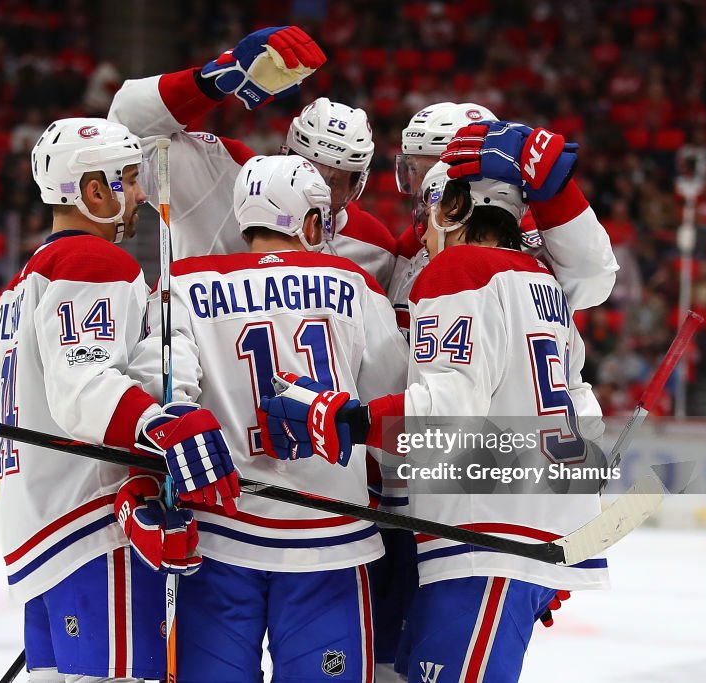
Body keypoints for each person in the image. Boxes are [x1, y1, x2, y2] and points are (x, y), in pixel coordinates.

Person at [261, 140, 610, 682]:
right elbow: (583, 415)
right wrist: (558, 532)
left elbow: (445, 416)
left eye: (428, 211)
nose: (421, 233)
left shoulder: (459, 269)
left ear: (455, 206)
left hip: (484, 538)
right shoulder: (547, 286)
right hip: (516, 535)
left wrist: (345, 419)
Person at [129, 154, 408, 682]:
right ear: (310, 222)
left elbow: (161, 389)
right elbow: (392, 404)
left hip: (218, 535)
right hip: (331, 537)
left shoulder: (182, 283)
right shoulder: (352, 283)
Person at [0, 117, 239, 682]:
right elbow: (82, 386)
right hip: (92, 531)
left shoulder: (23, 281)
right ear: (92, 191)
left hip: (43, 529)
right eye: (127, 180)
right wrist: (160, 426)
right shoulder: (92, 263)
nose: (139, 195)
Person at [107, 26, 398, 289]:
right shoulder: (225, 174)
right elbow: (125, 133)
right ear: (283, 156)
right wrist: (211, 82)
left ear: (356, 187)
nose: (317, 191)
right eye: (307, 171)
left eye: (334, 182)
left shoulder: (377, 248)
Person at [389, 103, 619, 337]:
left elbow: (593, 283)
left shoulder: (530, 239)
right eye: (411, 169)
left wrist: (548, 179)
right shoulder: (416, 239)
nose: (418, 187)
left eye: (428, 171)